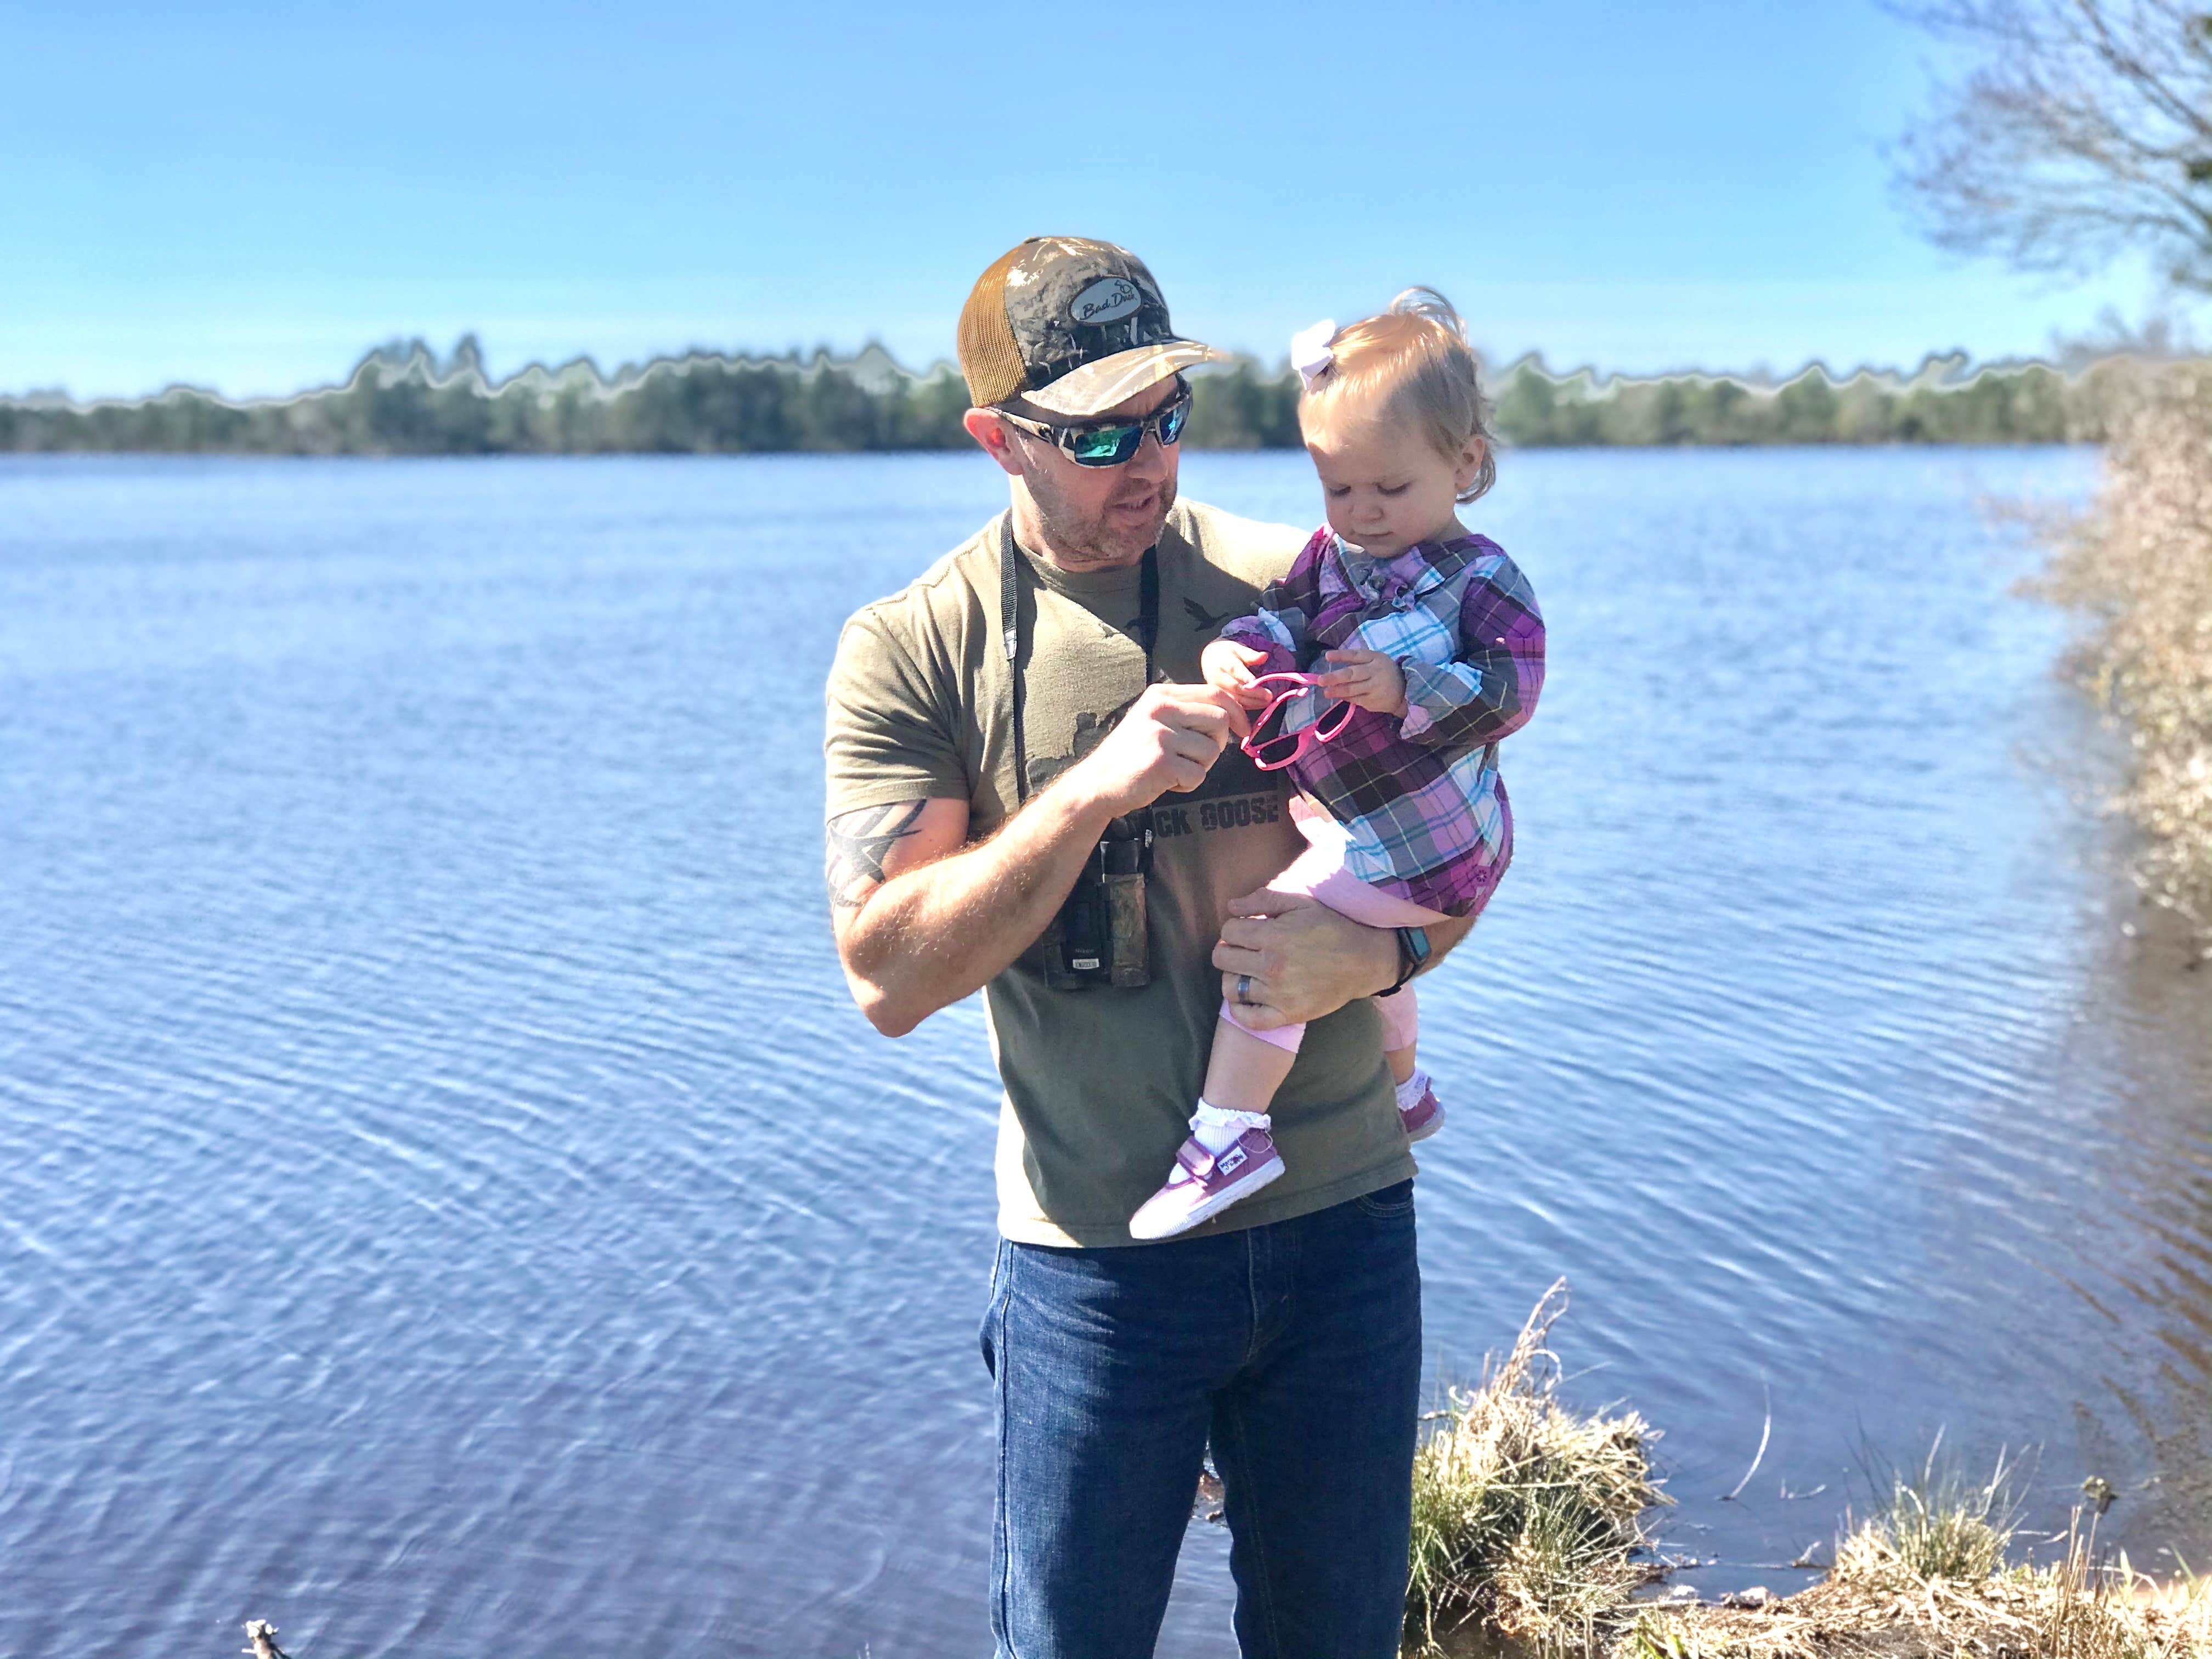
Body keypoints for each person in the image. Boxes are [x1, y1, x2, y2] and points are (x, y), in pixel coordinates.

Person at [822, 237, 1473, 1659]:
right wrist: (1091, 793)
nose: (1151, 463)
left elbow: (1467, 834)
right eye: (1102, 435)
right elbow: (887, 978)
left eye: (1168, 416)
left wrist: (1380, 964)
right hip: (1096, 1265)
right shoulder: (917, 646)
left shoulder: (1302, 581)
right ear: (998, 439)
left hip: (1340, 1224)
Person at [1129, 290, 1545, 1242]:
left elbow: (1514, 689)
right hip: (1364, 828)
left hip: (1432, 847)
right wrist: (1237, 651)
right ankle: (1405, 1090)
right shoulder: (1333, 560)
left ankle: (1230, 1136)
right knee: (1352, 936)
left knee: (1267, 940)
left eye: (1388, 489)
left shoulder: (1483, 580)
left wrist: (1406, 689)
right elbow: (1285, 619)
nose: (1361, 514)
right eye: (1337, 488)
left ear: (1464, 463)